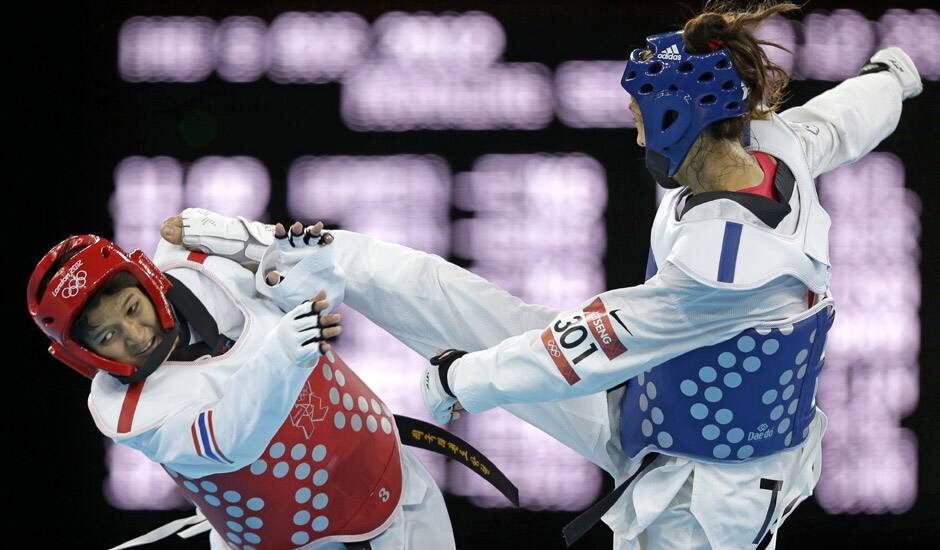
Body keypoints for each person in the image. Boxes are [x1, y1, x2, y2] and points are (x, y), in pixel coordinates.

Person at [166, 3, 924, 548]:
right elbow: (845, 119)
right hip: (649, 406)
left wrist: (461, 383)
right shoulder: (771, 145)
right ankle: (286, 251)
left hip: (703, 500)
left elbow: (582, 348)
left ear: (677, 118)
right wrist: (895, 76)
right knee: (443, 291)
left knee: (519, 350)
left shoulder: (729, 269)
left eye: (639, 114)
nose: (632, 132)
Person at [27, 226, 457, 549]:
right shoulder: (127, 414)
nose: (136, 336)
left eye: (132, 308)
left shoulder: (202, 265)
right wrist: (283, 356)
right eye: (107, 337)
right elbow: (230, 440)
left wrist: (305, 268)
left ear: (148, 280)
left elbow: (309, 296)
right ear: (82, 358)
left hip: (392, 481)